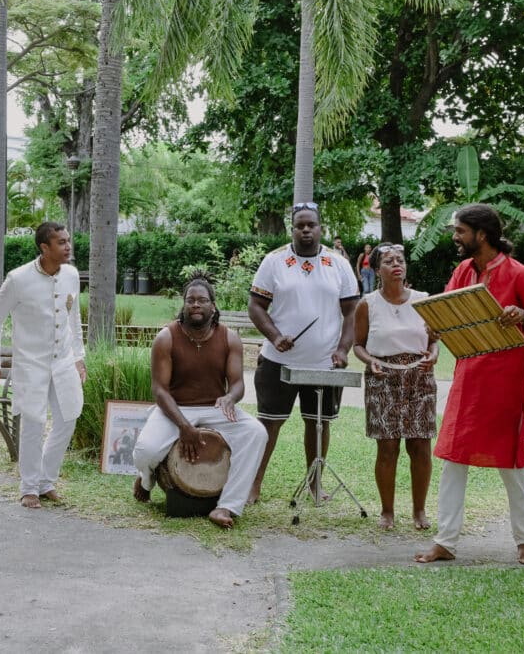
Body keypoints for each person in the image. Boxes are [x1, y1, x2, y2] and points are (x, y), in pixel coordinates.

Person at [414, 204, 524, 565]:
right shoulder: (463, 270)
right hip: (467, 378)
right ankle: (445, 542)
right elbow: (447, 310)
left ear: (482, 235)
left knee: (511, 464)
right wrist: (434, 325)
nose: (455, 238)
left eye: (460, 231)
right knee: (453, 459)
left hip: (504, 383)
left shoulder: (522, 275)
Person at [132, 275, 268, 529]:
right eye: (190, 300)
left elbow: (238, 383)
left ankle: (227, 505)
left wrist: (230, 397)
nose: (196, 305)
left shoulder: (229, 338)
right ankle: (146, 479)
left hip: (215, 408)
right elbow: (160, 391)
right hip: (175, 407)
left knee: (256, 432)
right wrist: (184, 426)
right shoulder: (166, 337)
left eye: (202, 300)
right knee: (146, 451)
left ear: (213, 306)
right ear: (184, 305)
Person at [248, 202, 360, 503]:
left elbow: (351, 313)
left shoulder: (338, 264)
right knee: (269, 424)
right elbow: (256, 306)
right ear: (292, 228)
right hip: (278, 361)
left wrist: (342, 349)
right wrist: (274, 336)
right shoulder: (274, 261)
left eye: (312, 225)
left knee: (318, 423)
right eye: (300, 225)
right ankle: (253, 485)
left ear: (321, 227)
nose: (306, 230)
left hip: (324, 363)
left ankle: (315, 485)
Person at [0, 221, 86, 508]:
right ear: (45, 247)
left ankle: (46, 480)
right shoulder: (18, 279)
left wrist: (79, 358)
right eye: (62, 243)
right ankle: (29, 486)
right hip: (30, 364)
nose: (68, 247)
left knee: (69, 417)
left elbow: (73, 318)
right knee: (33, 422)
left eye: (68, 241)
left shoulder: (71, 275)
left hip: (63, 361)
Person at [353, 243, 438, 530]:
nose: (396, 265)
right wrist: (371, 361)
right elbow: (358, 345)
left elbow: (435, 340)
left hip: (419, 378)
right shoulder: (368, 304)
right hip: (383, 378)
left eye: (400, 260)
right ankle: (387, 511)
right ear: (377, 270)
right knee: (387, 447)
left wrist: (434, 355)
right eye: (389, 261)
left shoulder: (423, 300)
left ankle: (419, 511)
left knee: (420, 446)